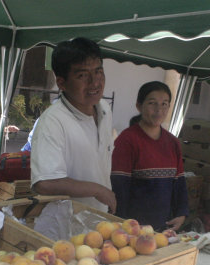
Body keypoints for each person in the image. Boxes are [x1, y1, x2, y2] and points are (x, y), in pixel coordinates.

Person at [31, 37, 116, 213]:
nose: (94, 82)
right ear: (61, 83)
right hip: (66, 228)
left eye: (98, 72)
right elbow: (45, 183)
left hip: (98, 222)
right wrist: (97, 190)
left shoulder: (105, 110)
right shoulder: (53, 122)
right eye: (82, 75)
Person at [111, 81, 188, 232]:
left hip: (165, 226)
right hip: (134, 229)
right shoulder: (127, 140)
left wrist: (181, 213)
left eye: (164, 104)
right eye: (152, 103)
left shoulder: (173, 143)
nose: (159, 110)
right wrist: (122, 226)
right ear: (139, 106)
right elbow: (119, 186)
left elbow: (179, 182)